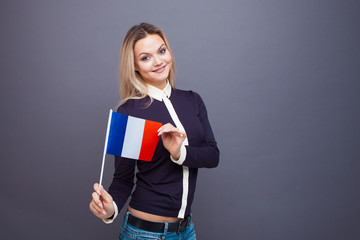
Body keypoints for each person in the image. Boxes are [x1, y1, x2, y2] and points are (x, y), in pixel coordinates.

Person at [89, 22, 219, 240]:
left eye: (161, 51)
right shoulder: (129, 111)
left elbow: (212, 155)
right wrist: (110, 209)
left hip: (186, 231)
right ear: (134, 66)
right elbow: (123, 179)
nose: (158, 61)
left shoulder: (192, 100)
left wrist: (179, 153)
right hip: (145, 233)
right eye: (145, 57)